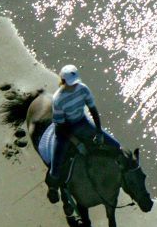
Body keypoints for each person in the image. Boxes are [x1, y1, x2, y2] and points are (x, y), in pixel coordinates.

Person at [46, 64, 120, 202]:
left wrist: (98, 131)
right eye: (70, 84)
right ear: (63, 82)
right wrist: (77, 143)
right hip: (64, 130)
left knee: (116, 146)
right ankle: (53, 188)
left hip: (82, 122)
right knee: (56, 164)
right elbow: (61, 126)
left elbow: (93, 110)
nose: (74, 86)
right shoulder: (58, 99)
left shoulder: (83, 89)